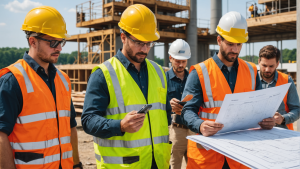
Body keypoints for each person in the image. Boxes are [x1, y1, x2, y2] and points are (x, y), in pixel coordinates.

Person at [181, 11, 275, 169]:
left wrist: (267, 120)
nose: (235, 49)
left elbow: (259, 109)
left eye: (239, 44)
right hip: (209, 155)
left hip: (241, 156)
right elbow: (187, 110)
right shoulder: (199, 72)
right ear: (219, 40)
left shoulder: (252, 71)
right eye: (230, 43)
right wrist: (200, 125)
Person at [81, 4, 171, 169]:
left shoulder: (158, 72)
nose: (144, 49)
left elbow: (163, 117)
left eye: (148, 43)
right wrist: (120, 125)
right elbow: (88, 121)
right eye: (138, 42)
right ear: (123, 37)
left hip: (158, 163)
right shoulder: (103, 74)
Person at [0, 6, 82, 169]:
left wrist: (76, 163)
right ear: (32, 41)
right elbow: (1, 135)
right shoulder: (13, 80)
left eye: (61, 42)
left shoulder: (63, 80)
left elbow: (71, 126)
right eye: (53, 42)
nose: (59, 48)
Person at [165, 39, 195, 169]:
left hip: (193, 129)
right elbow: (157, 101)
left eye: (183, 61)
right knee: (174, 164)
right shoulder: (163, 78)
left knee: (194, 164)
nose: (181, 64)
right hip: (176, 130)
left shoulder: (193, 78)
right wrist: (168, 103)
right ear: (171, 58)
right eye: (178, 61)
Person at [258, 45, 300, 130]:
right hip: (254, 133)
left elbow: (297, 110)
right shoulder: (250, 80)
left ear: (277, 64)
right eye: (264, 65)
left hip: (282, 133)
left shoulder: (287, 80)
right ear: (259, 62)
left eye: (271, 66)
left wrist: (283, 119)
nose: (267, 70)